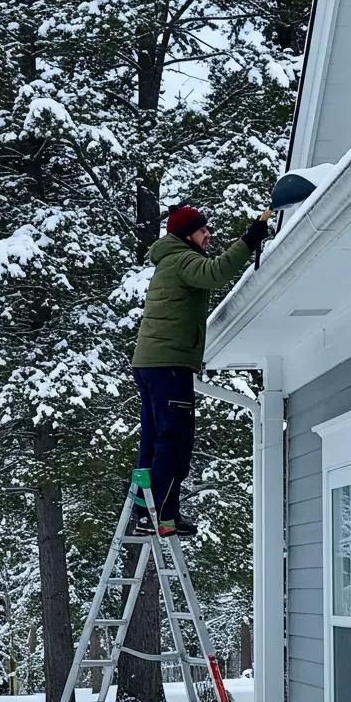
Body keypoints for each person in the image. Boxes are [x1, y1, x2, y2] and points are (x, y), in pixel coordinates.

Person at [132, 203, 273, 536]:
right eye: (201, 230)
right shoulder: (183, 259)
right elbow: (216, 272)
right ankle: (160, 514)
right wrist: (252, 237)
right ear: (186, 235)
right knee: (175, 440)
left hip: (151, 363)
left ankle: (145, 510)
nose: (208, 234)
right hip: (169, 365)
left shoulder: (170, 260)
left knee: (154, 439)